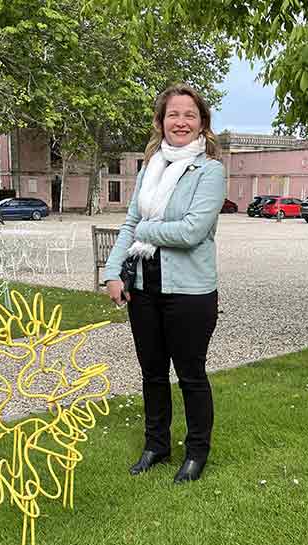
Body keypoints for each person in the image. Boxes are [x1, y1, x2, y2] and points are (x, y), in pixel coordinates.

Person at [102, 83, 225, 484]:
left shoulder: (210, 171)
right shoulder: (148, 169)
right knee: (152, 374)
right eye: (173, 114)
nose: (181, 122)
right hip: (144, 288)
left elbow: (192, 231)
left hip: (190, 293)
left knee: (191, 374)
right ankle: (156, 445)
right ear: (161, 121)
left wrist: (147, 228)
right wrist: (112, 271)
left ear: (202, 123)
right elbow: (129, 224)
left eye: (190, 114)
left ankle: (196, 453)